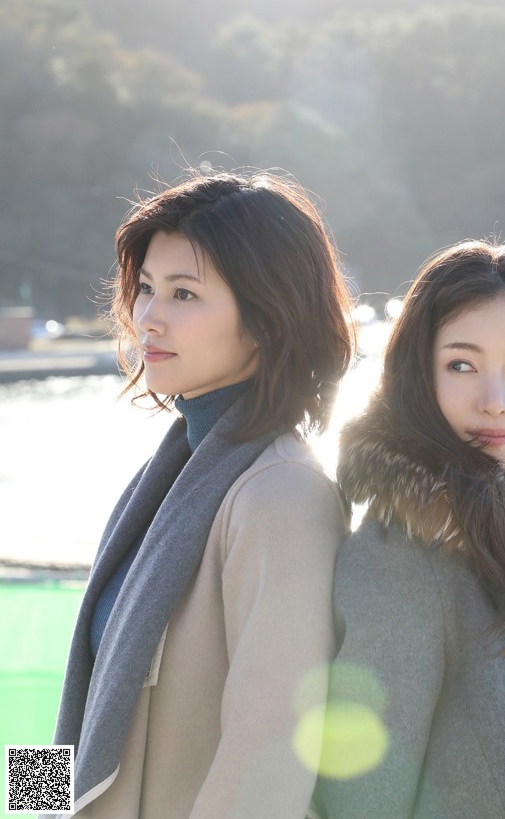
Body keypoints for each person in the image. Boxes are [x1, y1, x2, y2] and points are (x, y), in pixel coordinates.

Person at [52, 170, 355, 819]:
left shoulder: (282, 496)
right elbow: (79, 689)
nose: (148, 318)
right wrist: (31, 809)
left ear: (269, 318)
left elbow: (270, 761)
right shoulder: (163, 477)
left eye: (184, 293)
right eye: (145, 288)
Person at [314, 240, 505, 819]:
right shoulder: (403, 557)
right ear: (418, 376)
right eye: (461, 365)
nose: (495, 402)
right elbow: (361, 800)